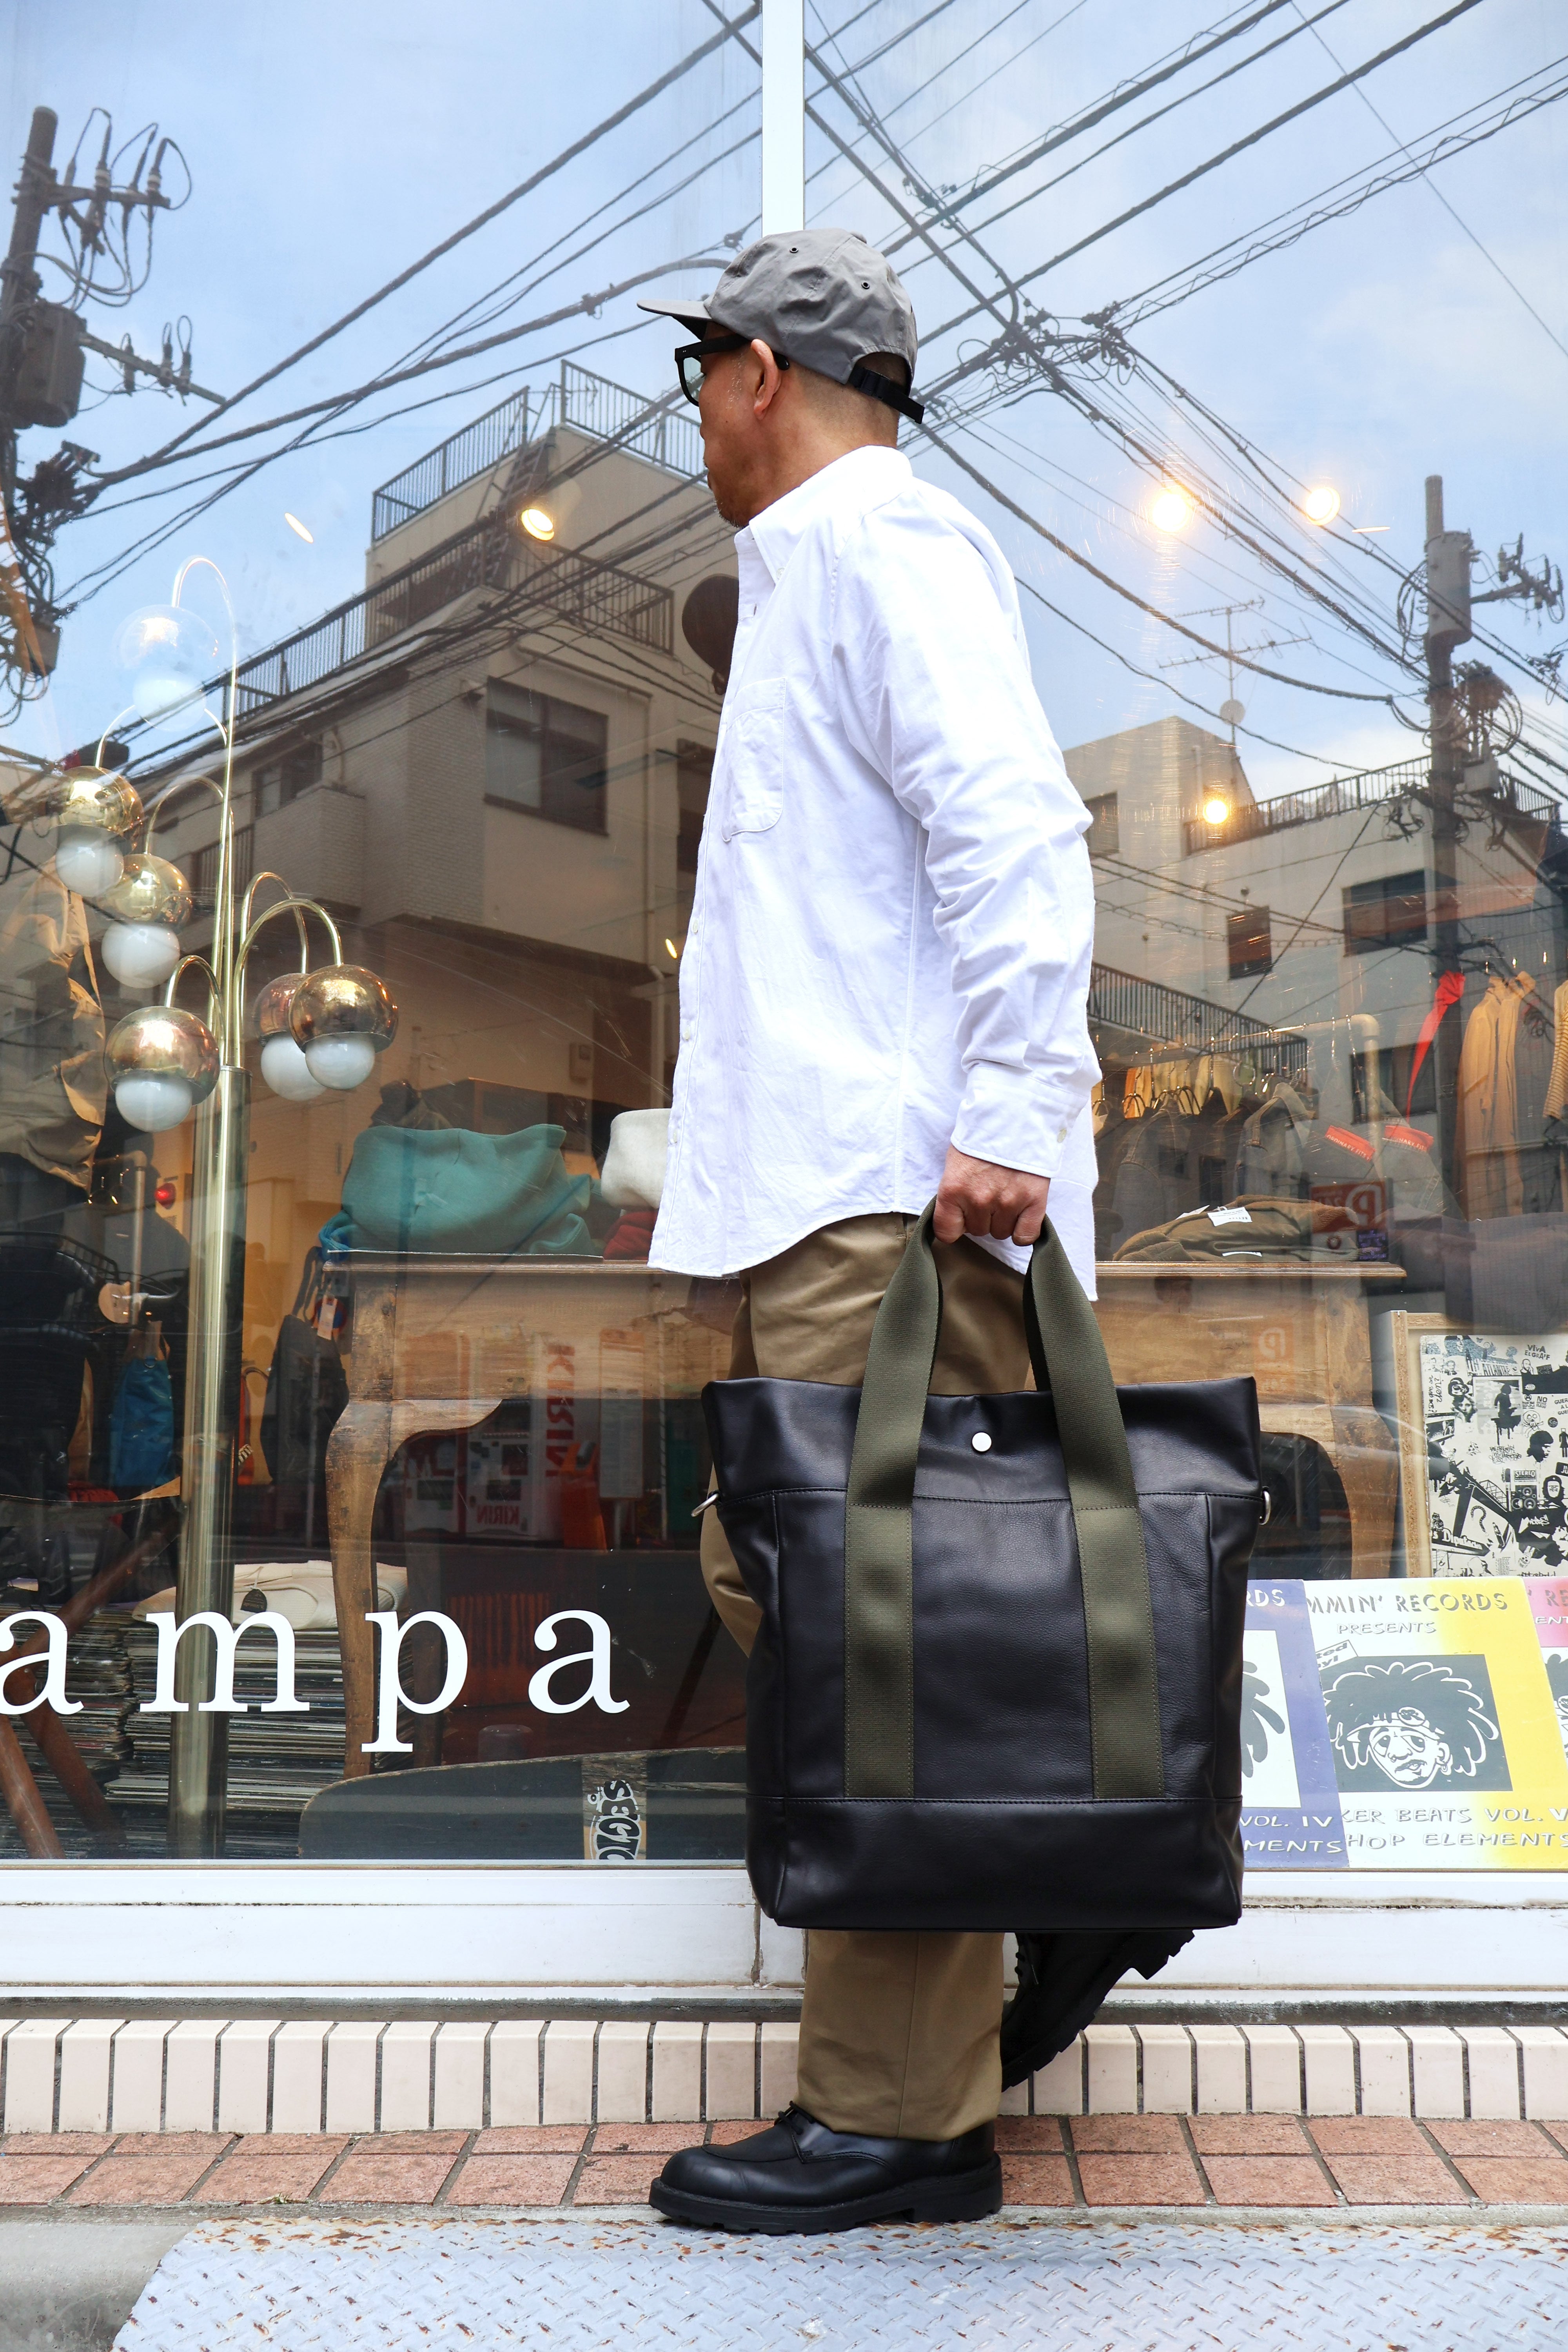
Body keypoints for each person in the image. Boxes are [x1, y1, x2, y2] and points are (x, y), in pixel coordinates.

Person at [639, 227, 1119, 2234]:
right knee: (805, 1586)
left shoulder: (881, 544)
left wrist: (1011, 1109)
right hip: (823, 1196)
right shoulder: (805, 572)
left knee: (874, 1625)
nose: (690, 416)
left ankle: (899, 2116)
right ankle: (1048, 1874)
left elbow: (1014, 825)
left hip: (894, 1201)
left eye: (695, 375)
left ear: (757, 370)